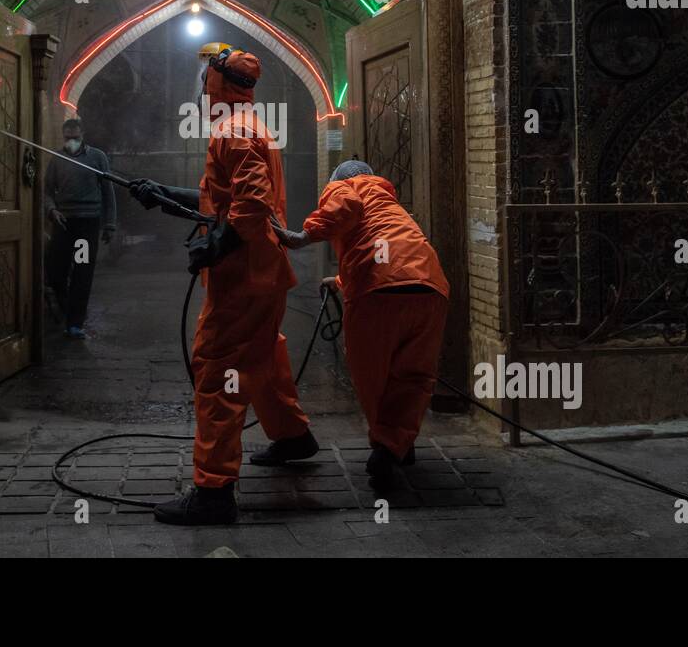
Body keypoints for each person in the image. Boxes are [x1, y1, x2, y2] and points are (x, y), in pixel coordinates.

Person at [130, 48, 316, 525]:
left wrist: (217, 248)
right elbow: (227, 199)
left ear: (215, 84)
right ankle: (293, 437)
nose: (199, 87)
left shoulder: (230, 131)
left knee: (216, 369)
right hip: (263, 273)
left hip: (244, 277)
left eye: (203, 79)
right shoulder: (251, 126)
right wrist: (168, 195)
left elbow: (251, 205)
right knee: (261, 355)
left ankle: (213, 492)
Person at [273, 159, 449, 489]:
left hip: (376, 296)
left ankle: (386, 446)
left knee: (373, 376)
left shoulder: (347, 188)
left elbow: (346, 209)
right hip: (428, 288)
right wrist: (341, 280)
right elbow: (390, 251)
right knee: (415, 376)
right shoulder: (390, 204)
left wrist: (303, 236)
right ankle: (396, 445)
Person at [43, 118, 116, 339]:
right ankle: (66, 310)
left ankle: (75, 323)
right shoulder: (57, 159)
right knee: (56, 272)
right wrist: (52, 210)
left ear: (82, 134)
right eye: (67, 138)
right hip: (64, 223)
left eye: (75, 137)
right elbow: (47, 191)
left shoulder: (97, 158)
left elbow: (107, 192)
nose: (71, 142)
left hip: (87, 224)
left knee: (82, 274)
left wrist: (110, 224)